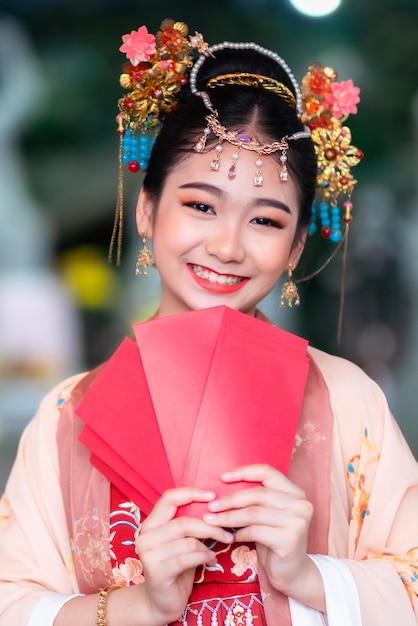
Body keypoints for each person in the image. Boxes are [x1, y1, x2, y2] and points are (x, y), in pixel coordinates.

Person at [1, 17, 418, 626]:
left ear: (297, 247)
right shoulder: (67, 416)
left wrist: (308, 575)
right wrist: (141, 606)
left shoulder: (346, 400)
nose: (226, 247)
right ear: (147, 209)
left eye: (266, 221)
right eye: (200, 205)